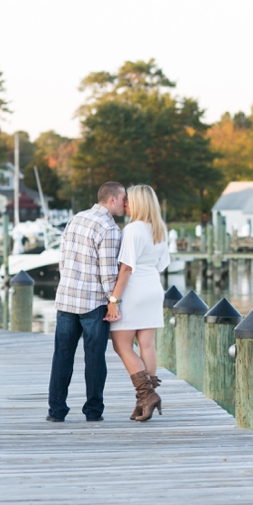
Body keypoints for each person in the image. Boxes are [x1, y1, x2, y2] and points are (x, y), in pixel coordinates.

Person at [46, 181, 126, 422]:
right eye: (123, 199)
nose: (125, 204)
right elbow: (108, 273)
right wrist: (114, 300)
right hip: (94, 302)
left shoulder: (75, 219)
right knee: (94, 358)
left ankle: (56, 411)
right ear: (112, 199)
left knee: (62, 356)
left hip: (67, 298)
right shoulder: (109, 229)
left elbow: (63, 260)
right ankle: (93, 411)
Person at [104, 185, 171, 422]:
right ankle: (144, 400)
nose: (125, 204)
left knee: (121, 345)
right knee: (147, 345)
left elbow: (126, 268)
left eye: (129, 200)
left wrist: (113, 300)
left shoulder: (133, 229)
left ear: (139, 203)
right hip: (154, 286)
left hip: (134, 289)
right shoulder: (160, 229)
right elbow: (162, 264)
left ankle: (147, 395)